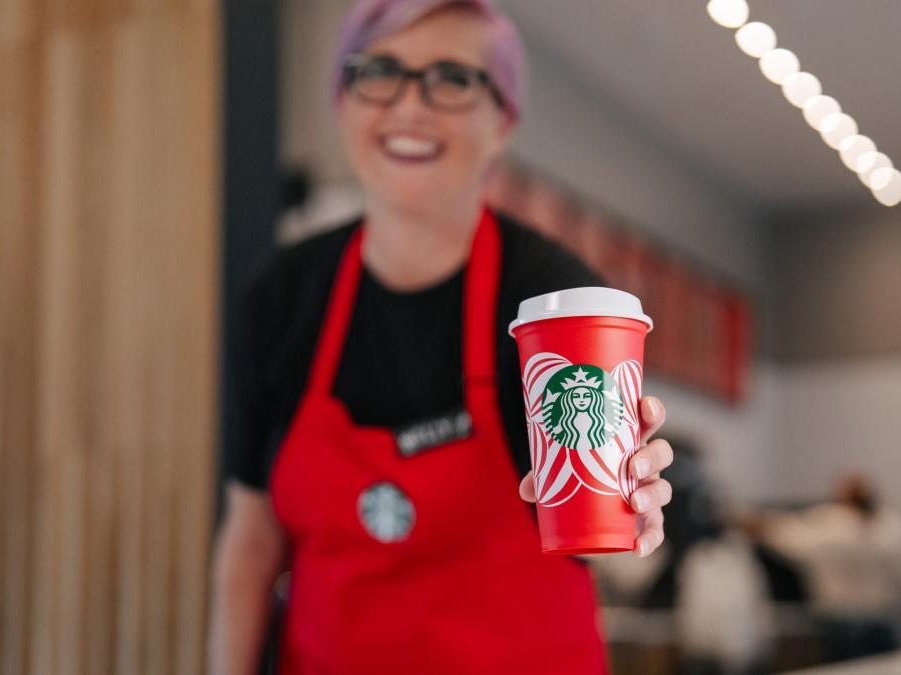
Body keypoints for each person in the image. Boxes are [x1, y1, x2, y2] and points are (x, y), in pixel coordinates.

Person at [207, 2, 676, 673]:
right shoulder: (283, 295)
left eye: (452, 79)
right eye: (380, 72)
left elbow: (597, 520)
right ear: (342, 101)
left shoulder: (551, 298)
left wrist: (628, 502)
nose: (408, 106)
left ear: (502, 121)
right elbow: (252, 542)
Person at [742, 473, 901, 662]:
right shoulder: (891, 526)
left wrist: (753, 522)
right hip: (882, 617)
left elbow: (785, 534)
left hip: (843, 619)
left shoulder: (831, 525)